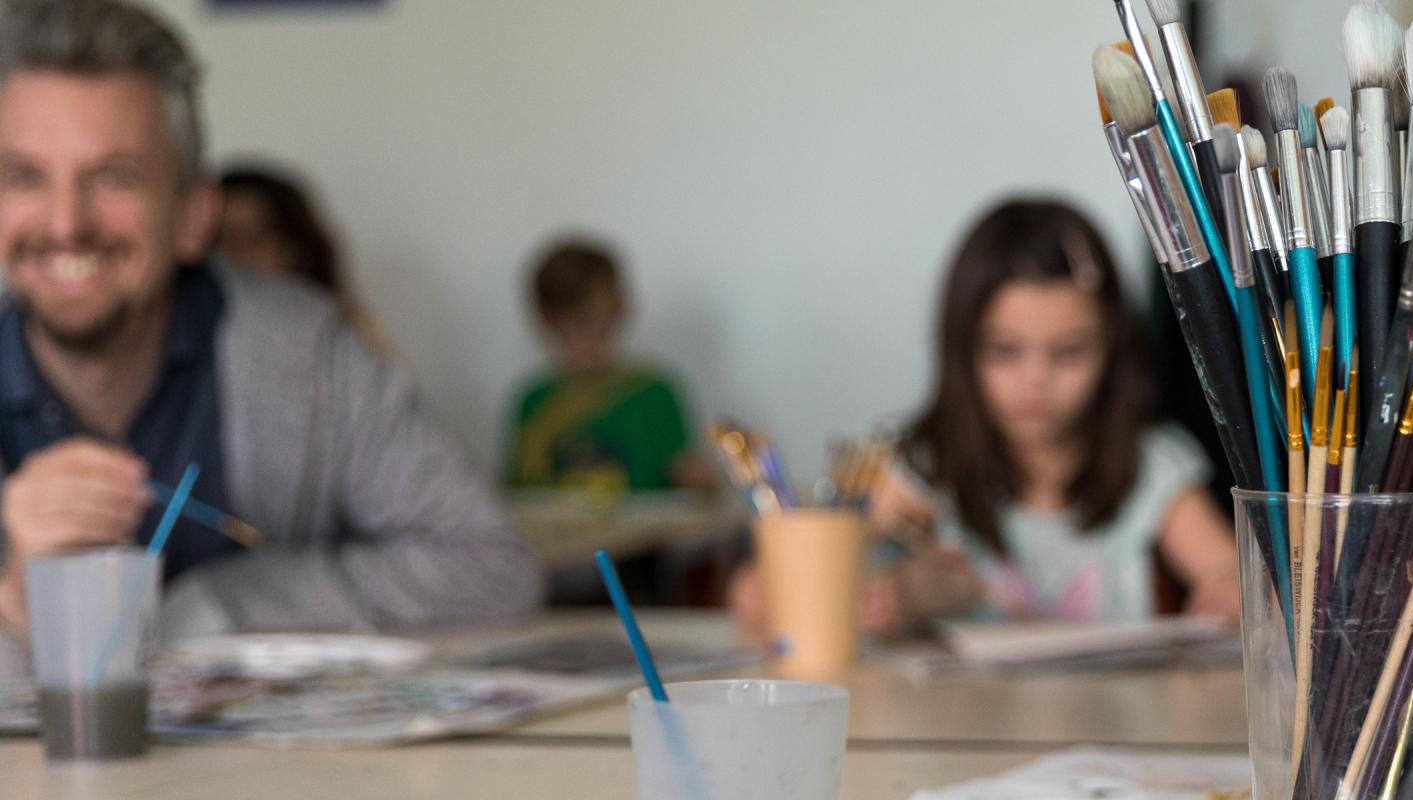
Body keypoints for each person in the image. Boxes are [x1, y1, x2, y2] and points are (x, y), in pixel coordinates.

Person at [0, 0, 539, 646]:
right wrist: (17, 607)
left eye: (115, 177)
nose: (66, 223)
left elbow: (491, 564)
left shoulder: (308, 351)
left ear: (193, 216)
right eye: (24, 177)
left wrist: (210, 606)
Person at [733, 199, 1239, 639]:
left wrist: (1228, 592)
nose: (1035, 379)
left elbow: (1234, 575)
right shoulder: (920, 467)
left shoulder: (1151, 463)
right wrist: (898, 593)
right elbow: (756, 596)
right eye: (1004, 351)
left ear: (1114, 349)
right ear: (962, 351)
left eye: (1068, 352)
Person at [506, 238, 707, 493]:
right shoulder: (533, 402)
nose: (587, 345)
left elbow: (686, 484)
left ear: (619, 312)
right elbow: (518, 496)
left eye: (600, 329)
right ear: (546, 323)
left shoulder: (654, 395)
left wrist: (697, 482)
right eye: (569, 333)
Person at [212, 162, 395, 355]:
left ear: (295, 247)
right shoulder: (199, 331)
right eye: (218, 239)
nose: (233, 254)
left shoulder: (344, 331)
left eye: (252, 239)